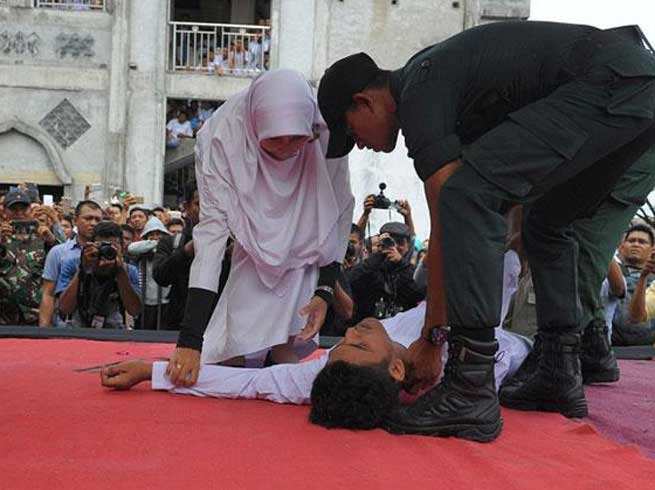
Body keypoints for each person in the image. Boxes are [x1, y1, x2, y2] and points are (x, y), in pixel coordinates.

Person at [317, 22, 655, 441]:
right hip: (637, 88)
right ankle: (559, 367)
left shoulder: (419, 91)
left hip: (609, 83)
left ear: (364, 101)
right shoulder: (438, 84)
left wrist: (434, 338)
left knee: (464, 194)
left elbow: (450, 213)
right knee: (546, 221)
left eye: (351, 133)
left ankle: (471, 385)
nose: (360, 145)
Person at [168, 69, 354, 387]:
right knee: (235, 339)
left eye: (296, 137)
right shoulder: (219, 138)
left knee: (288, 340)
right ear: (254, 128)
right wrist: (190, 341)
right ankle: (237, 368)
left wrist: (324, 289)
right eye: (274, 138)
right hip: (249, 237)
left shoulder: (326, 130)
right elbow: (211, 239)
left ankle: (282, 366)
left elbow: (337, 212)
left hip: (306, 236)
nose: (286, 147)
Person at [101, 304, 530, 427]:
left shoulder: (325, 373)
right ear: (396, 371)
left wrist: (151, 370)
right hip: (515, 334)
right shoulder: (461, 372)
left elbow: (247, 383)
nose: (351, 332)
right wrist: (436, 335)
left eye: (344, 343)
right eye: (358, 344)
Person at [57, 221, 141, 329]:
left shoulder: (129, 270)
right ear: (92, 246)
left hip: (115, 331)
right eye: (102, 247)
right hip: (77, 330)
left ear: (122, 248)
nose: (107, 251)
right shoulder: (74, 264)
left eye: (113, 247)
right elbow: (64, 308)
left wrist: (120, 272)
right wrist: (83, 269)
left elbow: (135, 310)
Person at [127, 217, 171, 330]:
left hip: (165, 300)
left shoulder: (169, 249)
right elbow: (131, 248)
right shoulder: (143, 250)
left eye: (158, 234)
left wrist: (162, 245)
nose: (155, 237)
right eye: (151, 234)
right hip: (146, 301)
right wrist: (155, 244)